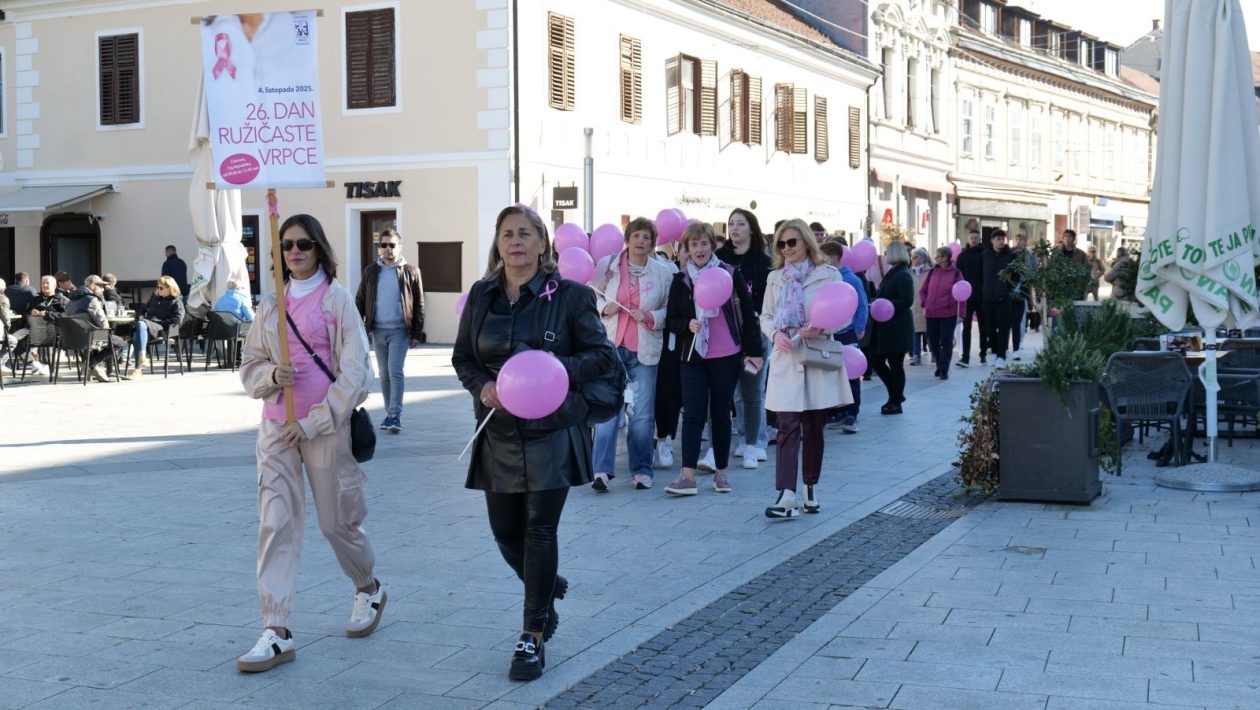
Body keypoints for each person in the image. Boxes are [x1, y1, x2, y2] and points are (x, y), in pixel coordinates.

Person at [451, 205, 617, 681]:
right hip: (497, 431)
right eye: (507, 234)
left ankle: (532, 634)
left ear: (543, 243)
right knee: (506, 535)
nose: (516, 242)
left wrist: (553, 370)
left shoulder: (570, 296)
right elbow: (465, 358)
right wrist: (483, 387)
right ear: (497, 243)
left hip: (552, 430)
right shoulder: (481, 295)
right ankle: (546, 588)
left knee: (540, 531)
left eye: (525, 233)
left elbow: (600, 358)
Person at [237, 214, 383, 674]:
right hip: (276, 428)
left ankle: (368, 587)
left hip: (325, 429)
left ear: (319, 248)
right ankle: (276, 628)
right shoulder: (270, 305)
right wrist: (268, 377)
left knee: (335, 522)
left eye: (303, 244)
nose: (294, 252)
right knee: (275, 523)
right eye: (286, 245)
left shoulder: (337, 301)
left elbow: (354, 373)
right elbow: (250, 363)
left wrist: (317, 421)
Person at [663, 222, 763, 496]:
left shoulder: (729, 274)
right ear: (687, 249)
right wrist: (688, 325)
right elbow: (671, 320)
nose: (699, 249)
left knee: (720, 414)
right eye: (693, 245)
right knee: (693, 414)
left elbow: (748, 314)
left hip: (725, 355)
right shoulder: (680, 279)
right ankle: (687, 477)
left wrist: (754, 352)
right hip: (692, 355)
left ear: (713, 246)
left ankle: (721, 473)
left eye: (704, 243)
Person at [760, 219, 852, 519]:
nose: (787, 249)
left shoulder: (828, 275)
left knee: (814, 427)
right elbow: (766, 316)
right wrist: (775, 334)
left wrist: (823, 326)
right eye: (781, 244)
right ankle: (786, 494)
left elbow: (845, 315)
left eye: (792, 242)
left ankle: (809, 486)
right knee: (786, 426)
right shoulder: (775, 278)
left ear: (806, 243)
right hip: (786, 357)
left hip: (816, 355)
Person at [590, 217, 677, 491]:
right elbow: (591, 295)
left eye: (646, 237)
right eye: (636, 236)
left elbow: (669, 310)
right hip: (611, 348)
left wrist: (651, 316)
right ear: (628, 238)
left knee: (641, 414)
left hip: (644, 350)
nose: (641, 241)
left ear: (653, 243)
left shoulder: (663, 272)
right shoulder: (608, 266)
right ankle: (601, 471)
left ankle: (641, 470)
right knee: (607, 411)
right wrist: (605, 308)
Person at [715, 208, 773, 469]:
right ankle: (743, 437)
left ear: (751, 228)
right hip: (725, 331)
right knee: (734, 392)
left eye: (740, 223)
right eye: (731, 223)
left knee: (753, 388)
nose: (734, 228)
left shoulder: (763, 262)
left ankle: (757, 440)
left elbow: (768, 299)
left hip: (756, 332)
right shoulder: (719, 259)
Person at [355, 228, 426, 434]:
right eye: (383, 245)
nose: (388, 249)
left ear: (399, 247)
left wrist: (417, 333)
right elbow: (360, 300)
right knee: (384, 374)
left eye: (392, 245)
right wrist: (355, 327)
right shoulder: (371, 272)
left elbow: (419, 304)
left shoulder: (411, 271)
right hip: (377, 330)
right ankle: (389, 413)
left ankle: (395, 414)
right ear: (380, 248)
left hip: (400, 331)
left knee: (395, 371)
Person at [818, 241, 868, 434]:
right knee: (832, 373)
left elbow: (862, 305)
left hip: (848, 332)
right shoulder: (825, 278)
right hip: (830, 332)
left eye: (824, 257)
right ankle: (836, 412)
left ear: (835, 257)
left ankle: (851, 415)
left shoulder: (851, 279)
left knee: (851, 374)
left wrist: (859, 328)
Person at [653, 240, 688, 469]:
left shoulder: (679, 274)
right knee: (658, 393)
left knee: (673, 393)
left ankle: (665, 438)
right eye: (687, 248)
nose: (691, 253)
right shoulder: (670, 273)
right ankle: (657, 438)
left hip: (681, 342)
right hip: (659, 339)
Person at [869, 241, 914, 415]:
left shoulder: (902, 274)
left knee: (895, 365)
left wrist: (885, 304)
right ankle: (896, 394)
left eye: (887, 252)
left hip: (897, 326)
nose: (885, 255)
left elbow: (907, 300)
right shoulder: (894, 272)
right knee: (877, 360)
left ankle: (895, 401)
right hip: (887, 326)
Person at [64, 275, 128, 381]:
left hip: (73, 339)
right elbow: (103, 323)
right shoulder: (91, 300)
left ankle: (92, 367)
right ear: (93, 285)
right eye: (100, 286)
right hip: (89, 338)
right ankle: (91, 363)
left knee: (98, 337)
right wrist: (108, 333)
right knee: (120, 342)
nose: (103, 289)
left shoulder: (70, 300)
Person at [126, 276, 185, 379]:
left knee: (139, 326)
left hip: (162, 329)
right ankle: (140, 363)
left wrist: (160, 322)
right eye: (157, 287)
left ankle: (138, 368)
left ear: (170, 288)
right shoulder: (155, 297)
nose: (158, 290)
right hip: (147, 327)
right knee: (138, 331)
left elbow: (177, 320)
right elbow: (143, 308)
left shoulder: (176, 301)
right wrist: (141, 314)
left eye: (161, 288)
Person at [920, 246, 964, 379]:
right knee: (932, 340)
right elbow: (923, 290)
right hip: (931, 313)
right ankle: (940, 364)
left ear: (945, 257)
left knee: (946, 341)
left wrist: (961, 313)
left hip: (948, 313)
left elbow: (962, 294)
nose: (935, 258)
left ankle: (944, 369)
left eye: (938, 256)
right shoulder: (933, 272)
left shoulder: (956, 273)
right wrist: (924, 304)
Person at [982, 230, 1016, 367]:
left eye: (1003, 239)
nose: (1001, 241)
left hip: (1004, 297)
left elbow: (1016, 275)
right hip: (988, 297)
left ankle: (1001, 355)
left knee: (1003, 328)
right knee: (989, 328)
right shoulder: (985, 255)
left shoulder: (1011, 256)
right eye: (998, 239)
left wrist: (1010, 290)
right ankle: (996, 351)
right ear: (992, 240)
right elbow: (980, 275)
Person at [955, 231, 986, 367]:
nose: (973, 240)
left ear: (980, 239)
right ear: (968, 239)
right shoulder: (962, 256)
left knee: (983, 328)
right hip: (966, 297)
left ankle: (983, 354)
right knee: (966, 327)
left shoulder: (984, 255)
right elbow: (958, 275)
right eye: (971, 238)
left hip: (982, 296)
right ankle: (965, 357)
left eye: (976, 238)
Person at [909, 247, 931, 366]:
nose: (912, 259)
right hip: (913, 306)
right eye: (911, 256)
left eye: (915, 256)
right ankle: (916, 355)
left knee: (929, 332)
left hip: (926, 305)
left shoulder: (930, 271)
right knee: (915, 332)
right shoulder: (909, 272)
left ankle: (935, 354)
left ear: (922, 258)